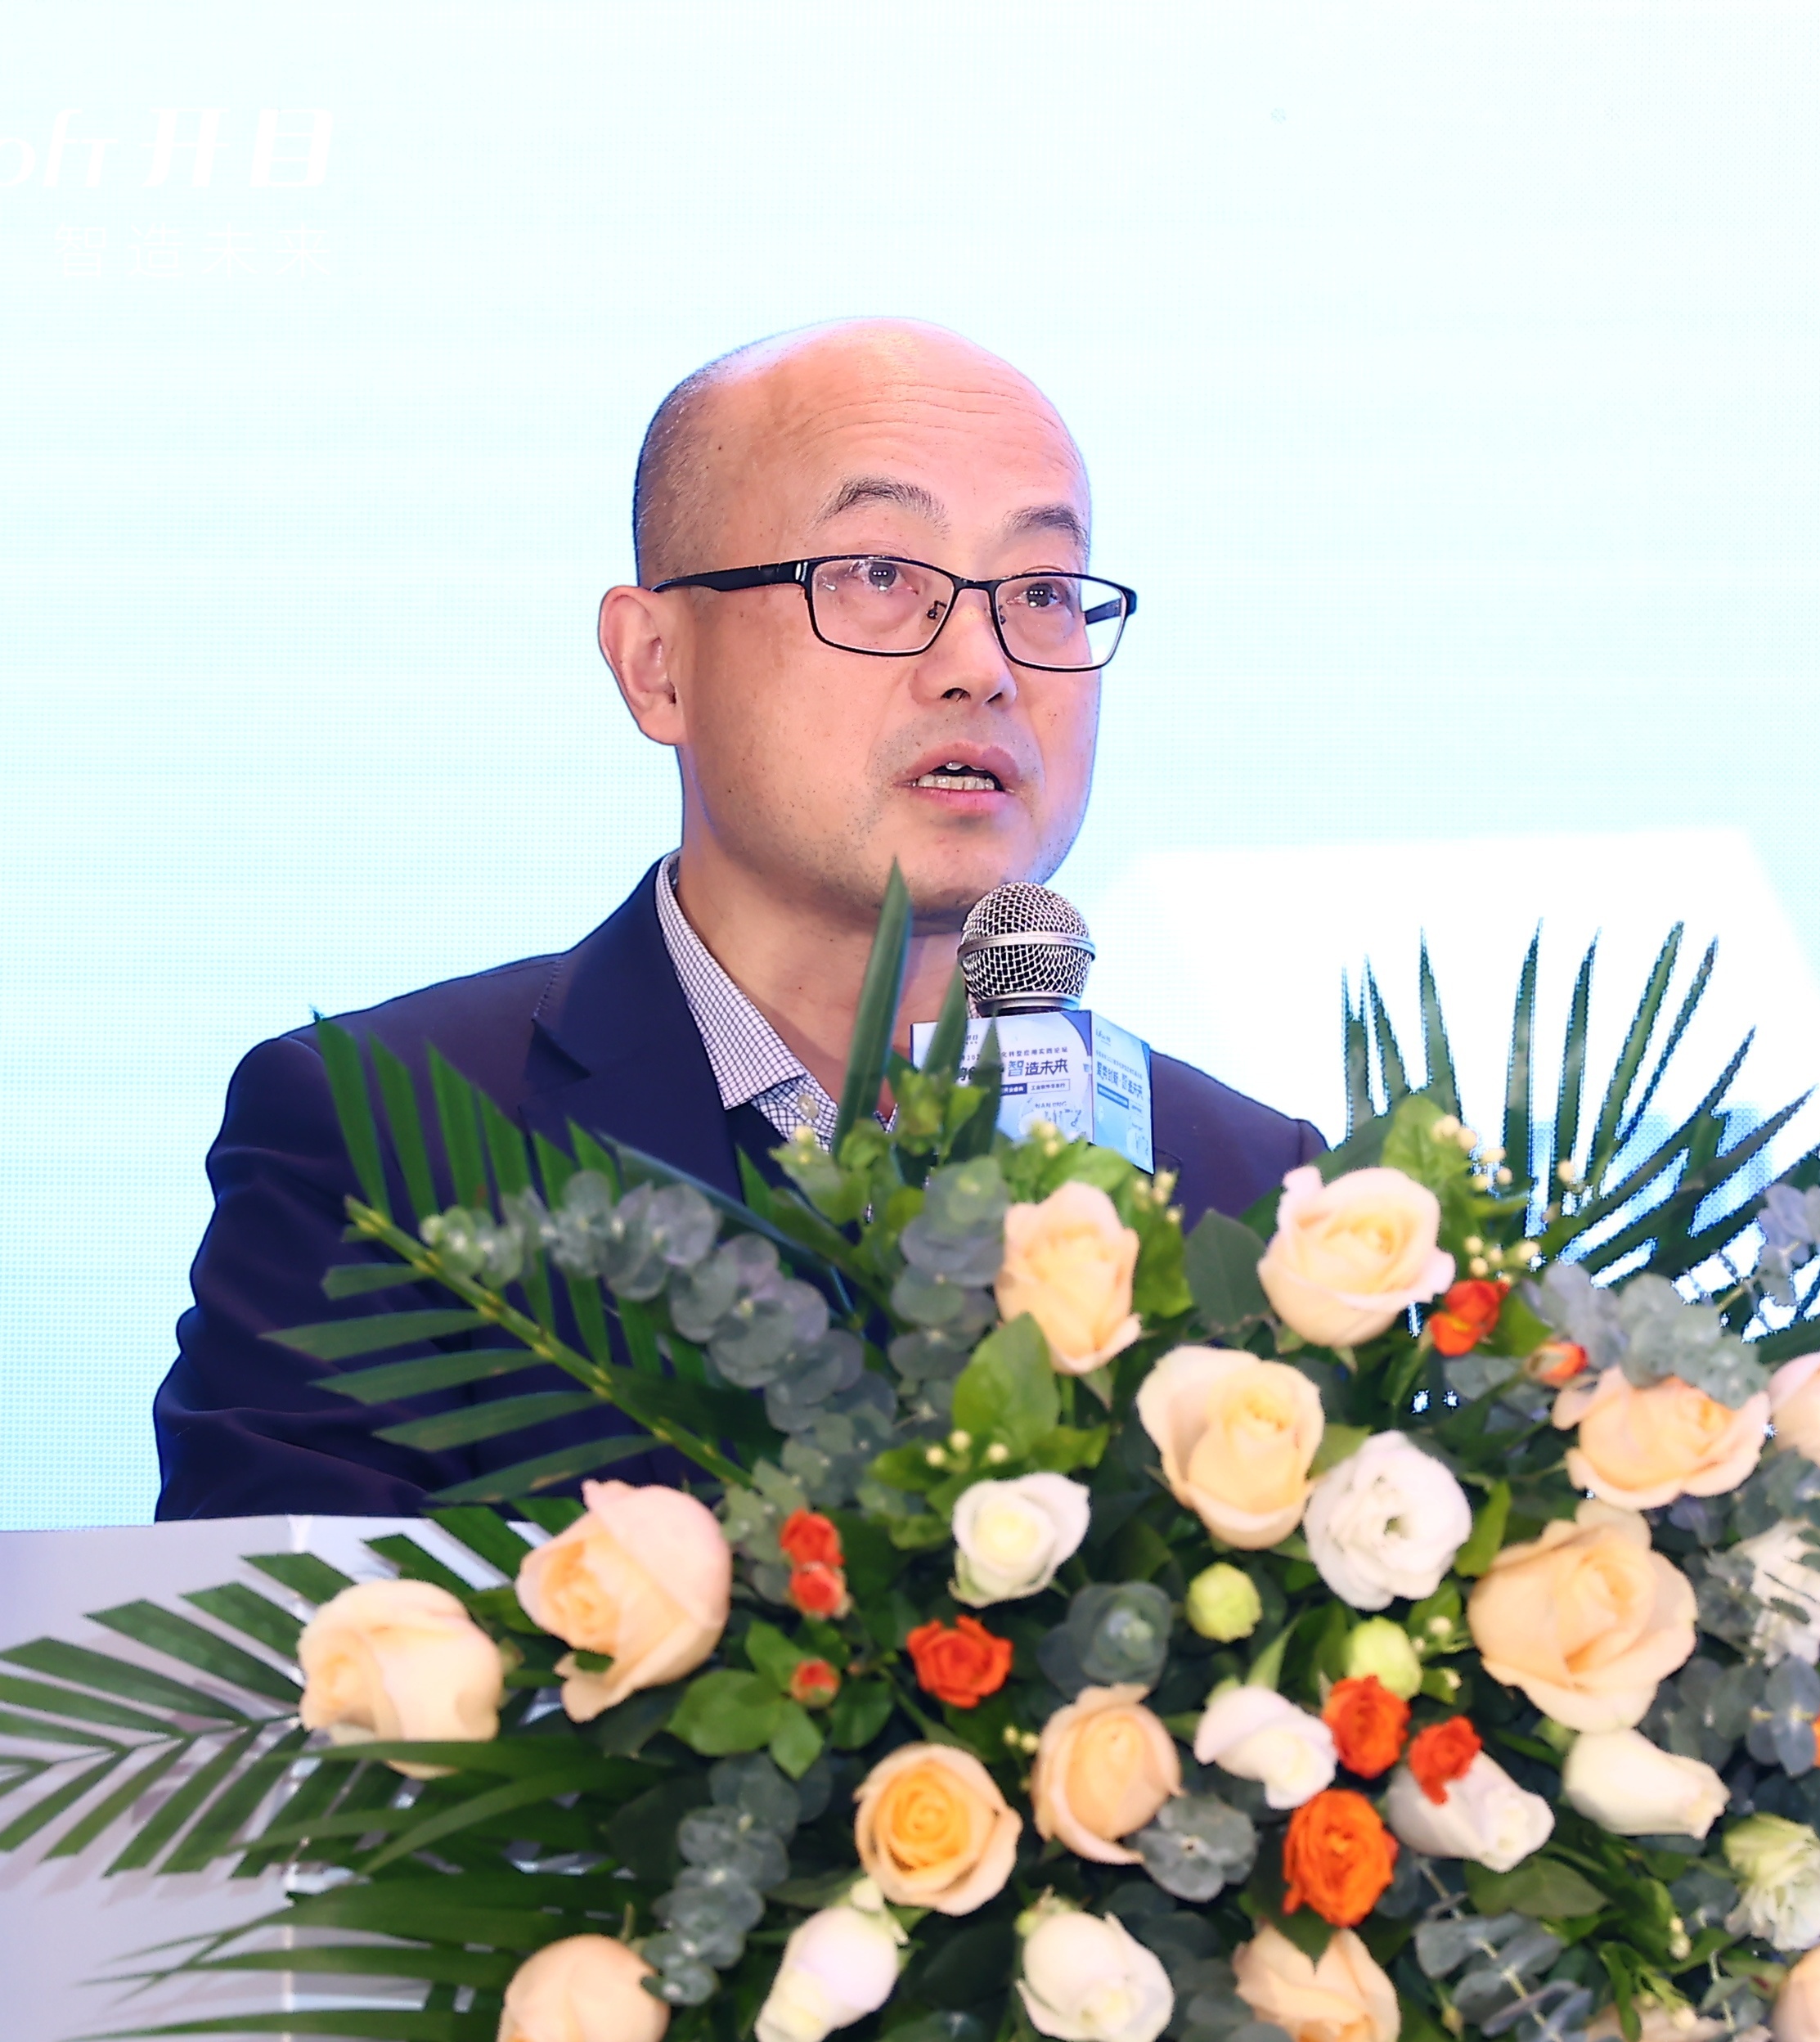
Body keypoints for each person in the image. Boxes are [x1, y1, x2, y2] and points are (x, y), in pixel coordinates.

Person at [153, 320, 1325, 1518]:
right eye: (879, 574)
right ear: (656, 664)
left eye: (1041, 592)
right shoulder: (385, 1151)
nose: (983, 666)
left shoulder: (1259, 1200)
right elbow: (273, 1630)